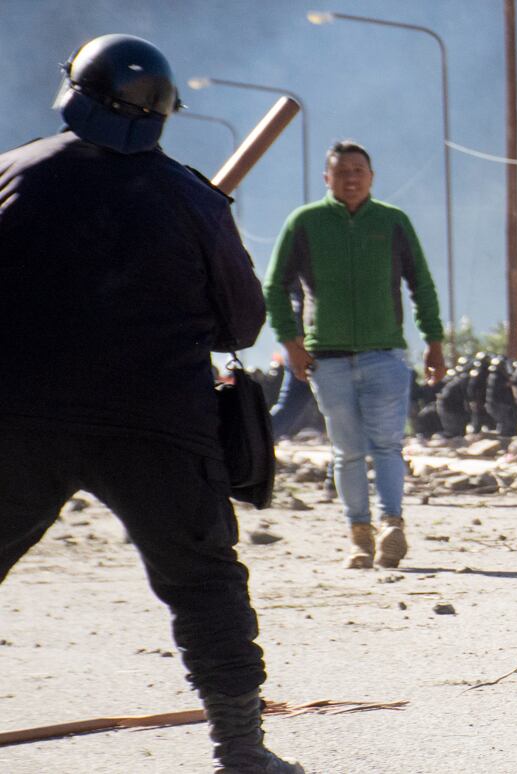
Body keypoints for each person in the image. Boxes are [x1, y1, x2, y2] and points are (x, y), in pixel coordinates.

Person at [0, 35, 300, 773]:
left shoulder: (12, 174)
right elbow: (241, 324)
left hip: (21, 418)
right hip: (159, 423)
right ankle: (242, 750)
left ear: (74, 92)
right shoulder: (192, 199)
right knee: (204, 583)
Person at [264, 140, 445, 570]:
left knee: (387, 444)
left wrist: (434, 342)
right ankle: (359, 535)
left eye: (358, 171)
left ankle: (391, 524)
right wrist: (291, 344)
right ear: (326, 178)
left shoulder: (392, 221)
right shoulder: (304, 223)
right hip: (327, 360)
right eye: (342, 171)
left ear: (371, 176)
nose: (351, 178)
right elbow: (274, 286)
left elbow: (421, 284)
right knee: (346, 451)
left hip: (385, 355)